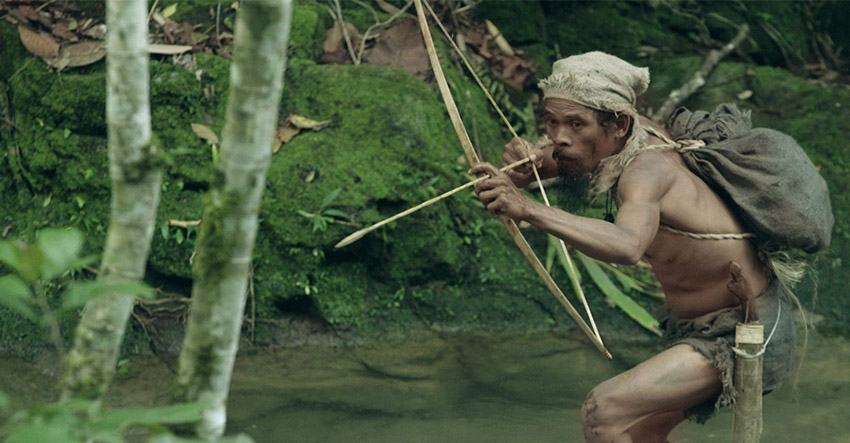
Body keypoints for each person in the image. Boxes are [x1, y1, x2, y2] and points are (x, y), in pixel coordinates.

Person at [469, 52, 797, 442]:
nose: (559, 137)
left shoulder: (647, 171)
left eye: (576, 123)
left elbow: (626, 246)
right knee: (637, 434)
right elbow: (564, 155)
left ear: (619, 123)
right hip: (701, 329)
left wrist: (526, 209)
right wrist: (527, 165)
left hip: (746, 331)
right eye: (552, 121)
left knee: (602, 411)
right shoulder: (626, 135)